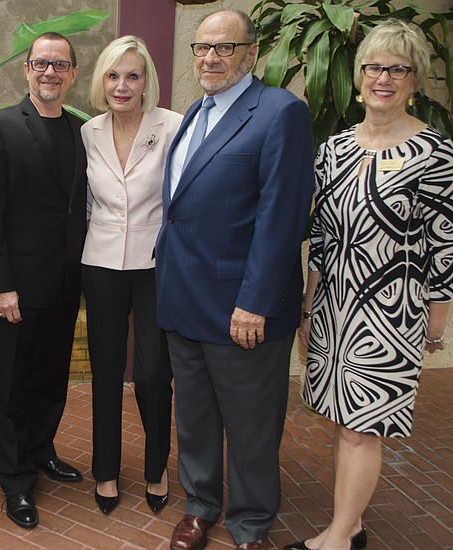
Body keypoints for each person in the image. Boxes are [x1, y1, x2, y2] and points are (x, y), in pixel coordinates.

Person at [287, 20, 453, 550]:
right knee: (343, 421)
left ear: (415, 80)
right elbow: (321, 237)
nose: (383, 78)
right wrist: (309, 307)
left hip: (392, 311)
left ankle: (339, 536)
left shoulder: (435, 153)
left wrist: (435, 321)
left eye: (397, 69)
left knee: (362, 427)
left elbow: (444, 243)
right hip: (335, 307)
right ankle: (353, 524)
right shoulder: (334, 149)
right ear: (359, 75)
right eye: (374, 67)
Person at [155, 9, 314, 550]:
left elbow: (281, 217)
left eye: (224, 47)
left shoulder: (280, 112)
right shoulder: (193, 114)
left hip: (241, 308)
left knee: (251, 425)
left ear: (252, 53)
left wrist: (256, 302)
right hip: (183, 299)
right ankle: (199, 506)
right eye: (202, 47)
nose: (210, 58)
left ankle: (250, 523)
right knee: (194, 416)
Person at [0, 32, 87, 529]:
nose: (49, 73)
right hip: (16, 285)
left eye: (59, 65)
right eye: (41, 63)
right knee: (14, 384)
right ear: (27, 70)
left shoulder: (83, 130)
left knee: (51, 379)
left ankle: (41, 451)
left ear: (73, 73)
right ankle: (15, 478)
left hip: (66, 282)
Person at [81, 35, 181, 515]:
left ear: (146, 82)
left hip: (156, 264)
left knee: (152, 373)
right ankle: (105, 470)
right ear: (102, 81)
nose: (122, 86)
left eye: (132, 76)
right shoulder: (88, 132)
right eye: (113, 75)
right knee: (104, 370)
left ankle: (157, 466)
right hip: (101, 262)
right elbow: (85, 201)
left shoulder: (174, 126)